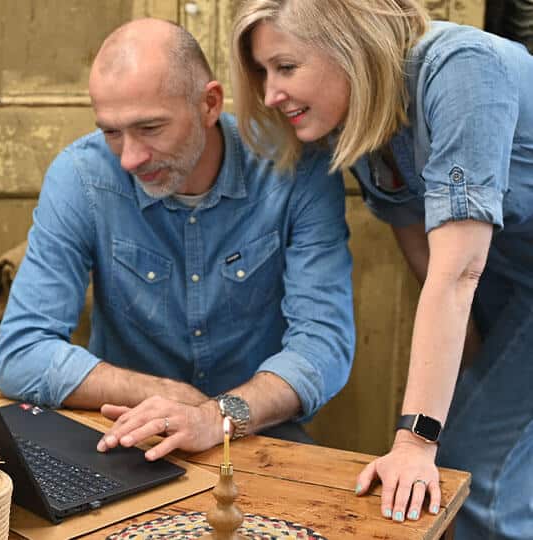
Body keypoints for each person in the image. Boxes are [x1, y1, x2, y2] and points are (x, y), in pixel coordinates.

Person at [230, 1, 533, 538]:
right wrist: (463, 397)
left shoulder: (460, 68)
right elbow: (426, 258)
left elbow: (459, 271)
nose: (271, 94)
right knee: (468, 448)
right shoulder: (364, 116)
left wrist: (416, 440)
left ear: (346, 45)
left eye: (286, 67)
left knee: (482, 475)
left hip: (499, 277)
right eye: (262, 72)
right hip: (503, 283)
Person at [0, 18, 355, 462]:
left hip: (253, 437)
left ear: (209, 104)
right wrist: (166, 395)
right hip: (127, 439)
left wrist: (215, 417)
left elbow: (323, 347)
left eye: (150, 129)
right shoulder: (81, 177)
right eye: (111, 131)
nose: (128, 158)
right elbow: (23, 352)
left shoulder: (296, 170)